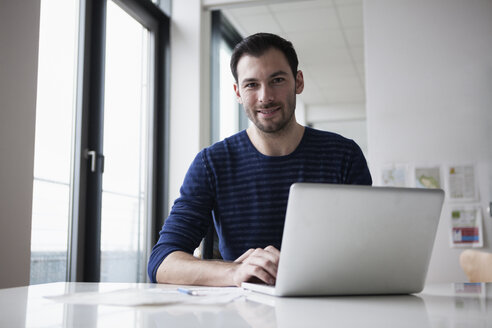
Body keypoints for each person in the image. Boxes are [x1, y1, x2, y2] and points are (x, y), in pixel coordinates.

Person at [148, 32, 372, 286]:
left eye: (277, 80)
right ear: (238, 92)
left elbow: (367, 252)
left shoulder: (345, 156)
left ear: (298, 82)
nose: (265, 97)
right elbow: (161, 262)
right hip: (242, 315)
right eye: (251, 84)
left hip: (328, 305)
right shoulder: (211, 163)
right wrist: (234, 272)